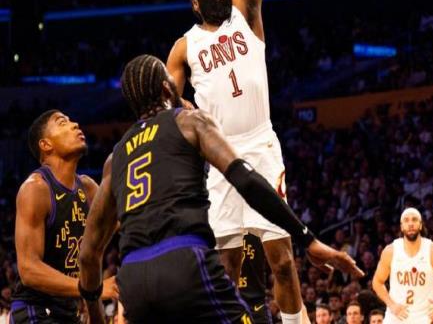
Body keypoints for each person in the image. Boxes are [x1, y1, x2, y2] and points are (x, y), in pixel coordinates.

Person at [78, 55, 364, 324]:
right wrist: (307, 239)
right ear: (167, 88)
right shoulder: (189, 121)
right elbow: (246, 180)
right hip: (184, 261)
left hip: (134, 278)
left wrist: (95, 315)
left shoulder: (115, 158)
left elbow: (89, 253)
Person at [166, 0, 312, 321]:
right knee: (225, 267)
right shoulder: (184, 46)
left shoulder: (245, 11)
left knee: (281, 259)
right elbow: (164, 101)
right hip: (219, 158)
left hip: (260, 146)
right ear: (196, 4)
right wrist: (188, 112)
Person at [10, 110, 117, 323]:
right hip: (34, 310)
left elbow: (120, 223)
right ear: (46, 145)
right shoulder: (36, 189)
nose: (75, 124)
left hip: (69, 310)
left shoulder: (87, 188)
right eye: (62, 122)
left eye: (71, 121)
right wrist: (91, 289)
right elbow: (29, 270)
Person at [372, 208, 433, 323]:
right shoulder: (390, 251)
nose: (410, 224)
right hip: (395, 318)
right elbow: (377, 282)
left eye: (414, 220)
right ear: (401, 226)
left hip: (423, 318)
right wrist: (392, 305)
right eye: (406, 220)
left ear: (420, 225)